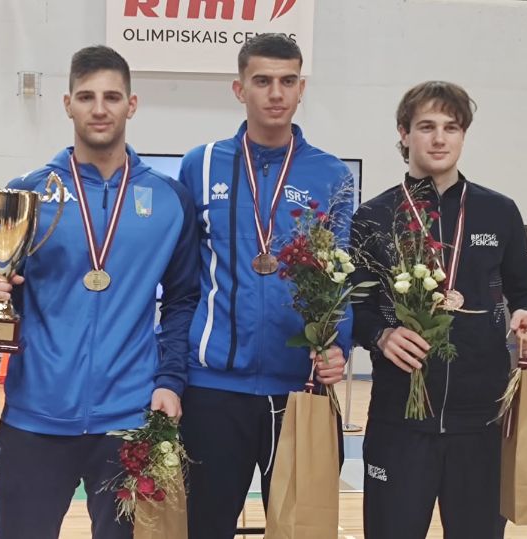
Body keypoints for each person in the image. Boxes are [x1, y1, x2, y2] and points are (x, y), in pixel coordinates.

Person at [0, 45, 200, 539]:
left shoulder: (170, 200)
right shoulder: (27, 194)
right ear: (67, 104)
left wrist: (170, 380)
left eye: (112, 97)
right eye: (86, 96)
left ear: (131, 105)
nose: (100, 109)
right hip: (35, 417)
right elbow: (6, 292)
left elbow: (184, 299)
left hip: (129, 419)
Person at [350, 81, 527, 539]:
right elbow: (355, 308)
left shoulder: (498, 211)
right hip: (399, 422)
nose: (439, 138)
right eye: (426, 127)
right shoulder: (374, 217)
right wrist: (380, 335)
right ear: (404, 134)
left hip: (481, 422)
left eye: (451, 127)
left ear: (463, 135)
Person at [176, 33, 354, 538]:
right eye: (262, 81)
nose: (276, 93)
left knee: (302, 531)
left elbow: (342, 275)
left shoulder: (331, 174)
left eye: (288, 81)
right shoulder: (200, 164)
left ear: (301, 89)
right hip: (212, 389)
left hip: (301, 390)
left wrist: (338, 345)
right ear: (239, 89)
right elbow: (183, 276)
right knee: (203, 529)